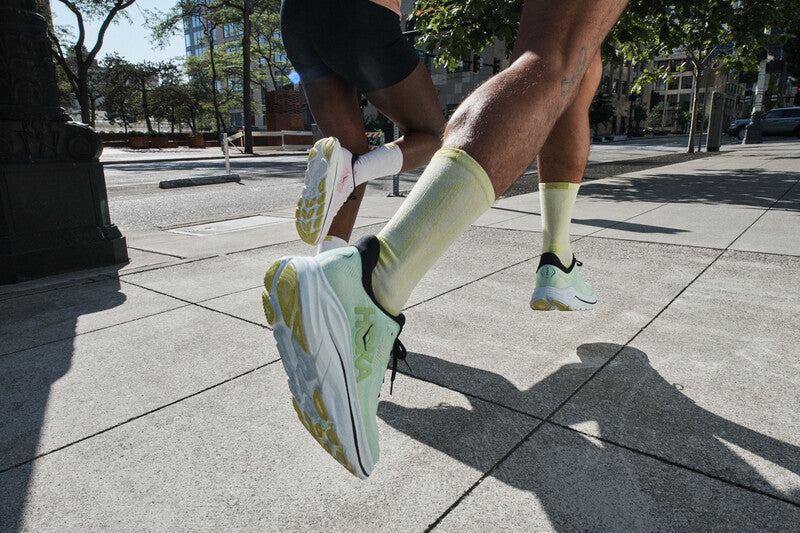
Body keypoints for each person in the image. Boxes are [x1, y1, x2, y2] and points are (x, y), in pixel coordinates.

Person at [264, 0, 630, 478]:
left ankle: (330, 276)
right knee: (549, 60)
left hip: (297, 20)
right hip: (362, 16)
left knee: (576, 63)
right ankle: (369, 286)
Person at [281, 0, 445, 255]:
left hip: (296, 17)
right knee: (435, 136)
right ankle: (352, 173)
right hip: (359, 13)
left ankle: (324, 274)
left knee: (346, 151)